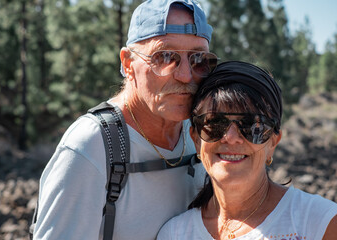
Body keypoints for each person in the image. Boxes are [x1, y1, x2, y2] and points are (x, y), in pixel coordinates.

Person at [32, 0, 219, 239]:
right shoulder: (91, 148)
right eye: (164, 56)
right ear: (128, 63)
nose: (185, 75)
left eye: (199, 59)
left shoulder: (202, 135)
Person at [157, 61, 337, 239]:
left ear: (273, 143)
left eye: (252, 126)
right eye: (215, 123)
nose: (231, 137)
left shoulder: (320, 223)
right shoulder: (174, 234)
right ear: (196, 138)